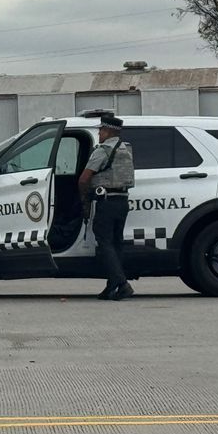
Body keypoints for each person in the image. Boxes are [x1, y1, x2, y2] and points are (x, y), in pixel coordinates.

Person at [78, 115, 136, 301]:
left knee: (104, 243)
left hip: (106, 201)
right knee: (116, 243)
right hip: (122, 201)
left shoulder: (103, 151)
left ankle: (122, 284)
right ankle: (112, 286)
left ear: (109, 131)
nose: (99, 133)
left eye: (101, 130)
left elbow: (84, 179)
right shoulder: (125, 149)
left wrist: (84, 198)